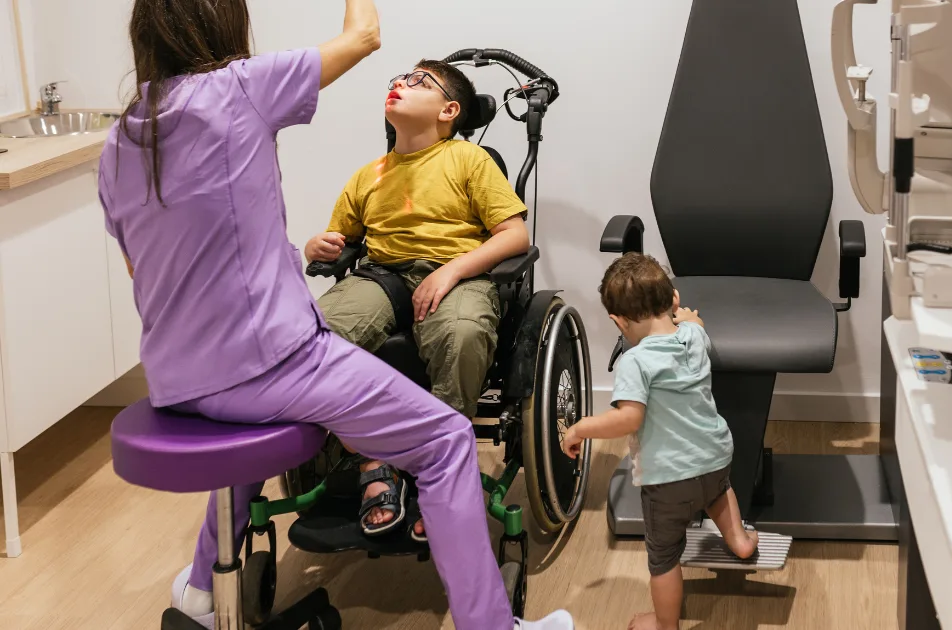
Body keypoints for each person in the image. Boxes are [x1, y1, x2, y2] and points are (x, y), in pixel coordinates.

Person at [98, 1, 571, 628]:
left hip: (176, 379)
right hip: (274, 360)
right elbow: (364, 34)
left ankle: (201, 593)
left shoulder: (121, 137)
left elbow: (146, 269)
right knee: (447, 439)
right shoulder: (242, 89)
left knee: (251, 430)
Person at [303, 58, 529, 539]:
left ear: (450, 111)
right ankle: (371, 457)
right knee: (317, 336)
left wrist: (449, 273)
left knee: (463, 332)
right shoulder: (369, 174)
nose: (400, 84)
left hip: (458, 274)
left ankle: (437, 466)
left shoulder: (469, 160)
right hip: (382, 274)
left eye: (417, 81)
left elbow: (514, 235)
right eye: (397, 79)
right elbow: (339, 240)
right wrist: (316, 245)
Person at [561, 253, 758, 630]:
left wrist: (582, 427)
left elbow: (628, 418)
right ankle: (740, 541)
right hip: (716, 457)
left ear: (618, 321)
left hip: (669, 479)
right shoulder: (694, 336)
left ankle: (665, 625)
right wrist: (689, 318)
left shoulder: (634, 362)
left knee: (664, 559)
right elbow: (694, 322)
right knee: (719, 493)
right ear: (674, 300)